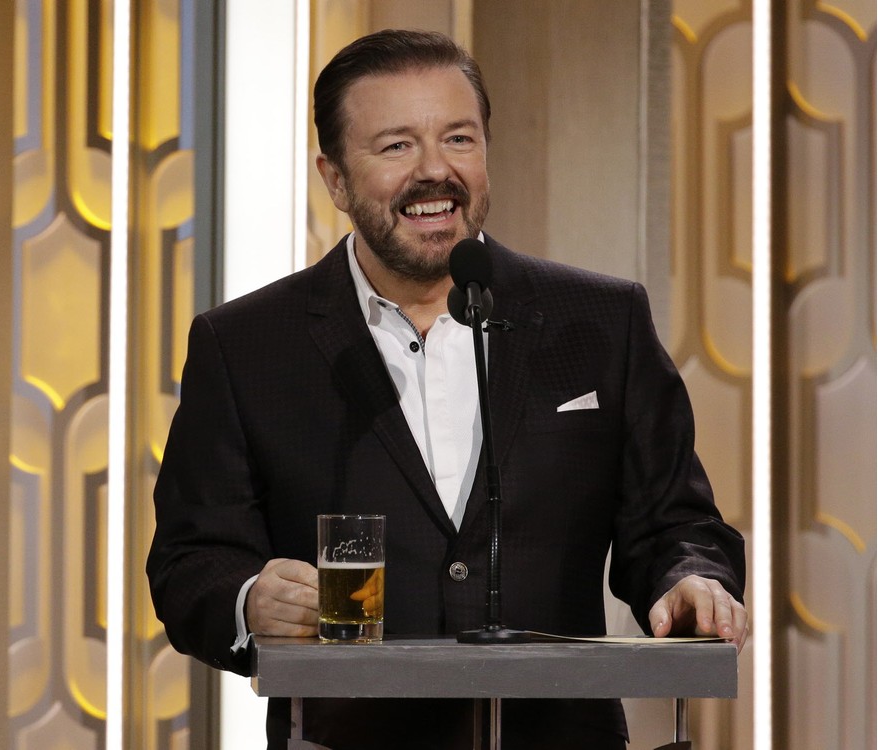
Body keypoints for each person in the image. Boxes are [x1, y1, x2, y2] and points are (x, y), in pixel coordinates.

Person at [147, 29, 747, 750]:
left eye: (458, 138)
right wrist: (251, 600)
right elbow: (190, 562)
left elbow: (674, 524)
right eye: (397, 146)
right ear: (334, 177)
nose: (436, 171)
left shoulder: (599, 320)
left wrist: (689, 579)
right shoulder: (246, 346)